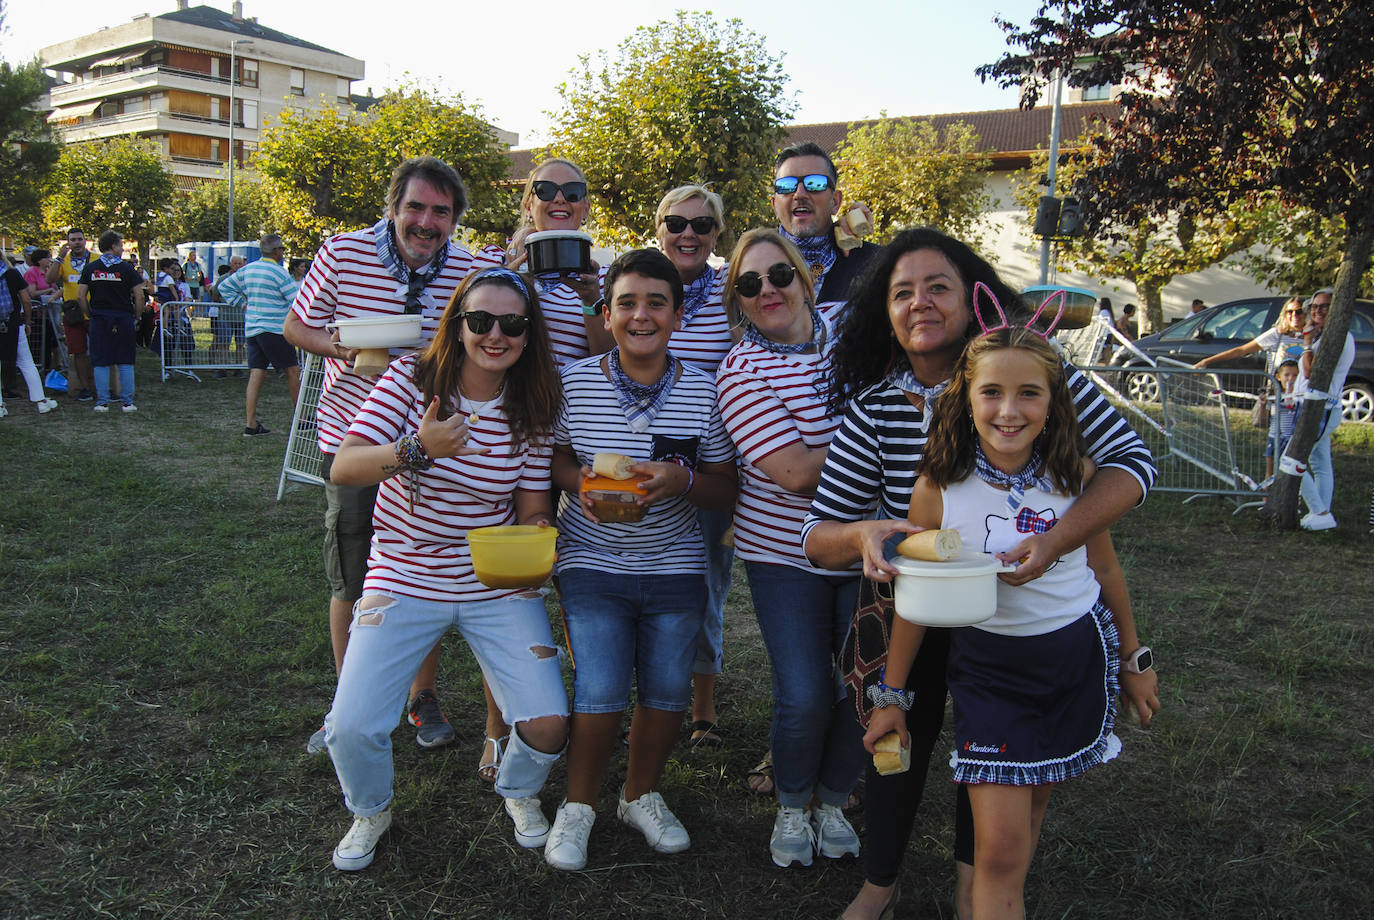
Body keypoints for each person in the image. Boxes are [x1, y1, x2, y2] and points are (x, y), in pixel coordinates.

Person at [798, 228, 1156, 920]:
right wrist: (863, 533)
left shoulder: (1033, 373)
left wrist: (1054, 541)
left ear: (973, 300)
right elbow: (818, 538)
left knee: (997, 769)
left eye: (938, 287)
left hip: (1030, 622)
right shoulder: (875, 408)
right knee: (898, 735)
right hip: (922, 600)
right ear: (885, 312)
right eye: (903, 292)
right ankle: (881, 882)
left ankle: (979, 885)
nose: (920, 303)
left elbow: (1131, 469)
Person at [864, 321, 1160, 920]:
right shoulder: (937, 490)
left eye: (1029, 393)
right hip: (989, 674)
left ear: (1053, 403)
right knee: (998, 851)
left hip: (1074, 663)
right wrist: (891, 694)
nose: (1009, 409)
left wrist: (1134, 660)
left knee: (1023, 830)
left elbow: (1105, 571)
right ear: (966, 398)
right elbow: (915, 602)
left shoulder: (1077, 477)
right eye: (992, 392)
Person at [324, 266, 568, 870]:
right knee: (350, 727)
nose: (495, 334)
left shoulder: (533, 403)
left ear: (528, 332)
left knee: (547, 726)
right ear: (457, 325)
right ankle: (371, 810)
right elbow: (344, 467)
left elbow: (534, 505)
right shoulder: (412, 379)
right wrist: (416, 450)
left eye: (512, 323)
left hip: (493, 579)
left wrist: (537, 534)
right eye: (480, 320)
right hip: (402, 573)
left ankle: (517, 790)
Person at [285, 156, 501, 754]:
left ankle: (419, 697)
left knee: (421, 569)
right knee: (353, 574)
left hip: (435, 445)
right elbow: (296, 326)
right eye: (416, 207)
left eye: (441, 211)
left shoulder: (470, 268)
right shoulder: (341, 252)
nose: (427, 222)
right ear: (393, 208)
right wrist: (338, 345)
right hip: (353, 438)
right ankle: (346, 704)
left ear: (454, 218)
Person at [543, 249, 737, 872]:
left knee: (666, 691)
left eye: (657, 302)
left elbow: (723, 484)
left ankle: (639, 795)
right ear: (607, 313)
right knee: (599, 687)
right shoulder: (574, 382)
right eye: (627, 302)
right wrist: (580, 486)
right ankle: (578, 806)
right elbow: (558, 458)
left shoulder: (705, 393)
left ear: (678, 316)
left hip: (676, 565)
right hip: (592, 559)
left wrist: (681, 482)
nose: (641, 314)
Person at [715, 229, 860, 868]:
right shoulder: (739, 372)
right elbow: (797, 473)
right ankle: (794, 807)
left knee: (865, 683)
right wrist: (879, 438)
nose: (767, 290)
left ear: (805, 278)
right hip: (785, 553)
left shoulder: (855, 331)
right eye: (750, 284)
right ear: (738, 301)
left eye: (779, 276)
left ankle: (834, 800)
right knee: (803, 691)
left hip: (873, 547)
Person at [654, 184, 735, 747]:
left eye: (702, 226)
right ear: (658, 227)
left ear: (716, 235)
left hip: (710, 461)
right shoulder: (634, 282)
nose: (689, 234)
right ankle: (646, 699)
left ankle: (701, 707)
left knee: (709, 582)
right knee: (639, 577)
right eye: (677, 223)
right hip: (633, 453)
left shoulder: (737, 290)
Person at [493, 157, 612, 365]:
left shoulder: (607, 281)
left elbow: (610, 363)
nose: (559, 199)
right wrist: (511, 281)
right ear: (529, 205)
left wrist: (591, 299)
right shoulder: (492, 262)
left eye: (572, 191)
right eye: (545, 190)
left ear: (586, 208)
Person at [772, 141, 879, 305]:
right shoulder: (749, 268)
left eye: (815, 183)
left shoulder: (876, 265)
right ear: (774, 205)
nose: (799, 194)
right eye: (786, 186)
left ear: (835, 201)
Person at [216, 234, 302, 437]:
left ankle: (251, 424)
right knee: (293, 371)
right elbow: (297, 299)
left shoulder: (249, 269)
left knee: (257, 373)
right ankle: (303, 420)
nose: (282, 252)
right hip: (274, 329)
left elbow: (223, 287)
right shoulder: (279, 273)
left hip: (253, 329)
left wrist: (242, 304)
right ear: (276, 251)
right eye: (281, 248)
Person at [1294, 287, 1354, 531]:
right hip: (1312, 405)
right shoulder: (1324, 335)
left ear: (1336, 309)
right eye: (1314, 306)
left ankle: (1320, 512)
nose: (1317, 311)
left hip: (1322, 407)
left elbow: (1311, 373)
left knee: (1290, 458)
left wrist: (1307, 343)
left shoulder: (1337, 337)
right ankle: (1322, 514)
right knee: (1320, 464)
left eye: (1324, 306)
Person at [77, 230, 145, 413]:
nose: (122, 248)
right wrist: (137, 316)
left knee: (100, 360)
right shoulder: (127, 268)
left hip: (99, 317)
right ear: (114, 246)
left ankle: (102, 402)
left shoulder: (90, 268)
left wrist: (90, 314)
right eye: (121, 245)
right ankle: (127, 402)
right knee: (125, 360)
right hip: (123, 317)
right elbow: (139, 295)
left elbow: (80, 296)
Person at [1, 257, 58, 417]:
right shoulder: (12, 274)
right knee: (26, 363)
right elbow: (26, 300)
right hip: (13, 323)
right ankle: (40, 401)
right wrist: (27, 322)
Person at [47, 228, 96, 401]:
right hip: (73, 314)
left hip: (94, 312)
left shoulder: (96, 259)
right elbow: (50, 280)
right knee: (78, 352)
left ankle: (102, 386)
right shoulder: (63, 261)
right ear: (68, 242)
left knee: (99, 350)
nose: (76, 243)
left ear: (85, 241)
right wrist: (58, 258)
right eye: (73, 240)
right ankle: (84, 387)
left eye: (79, 239)